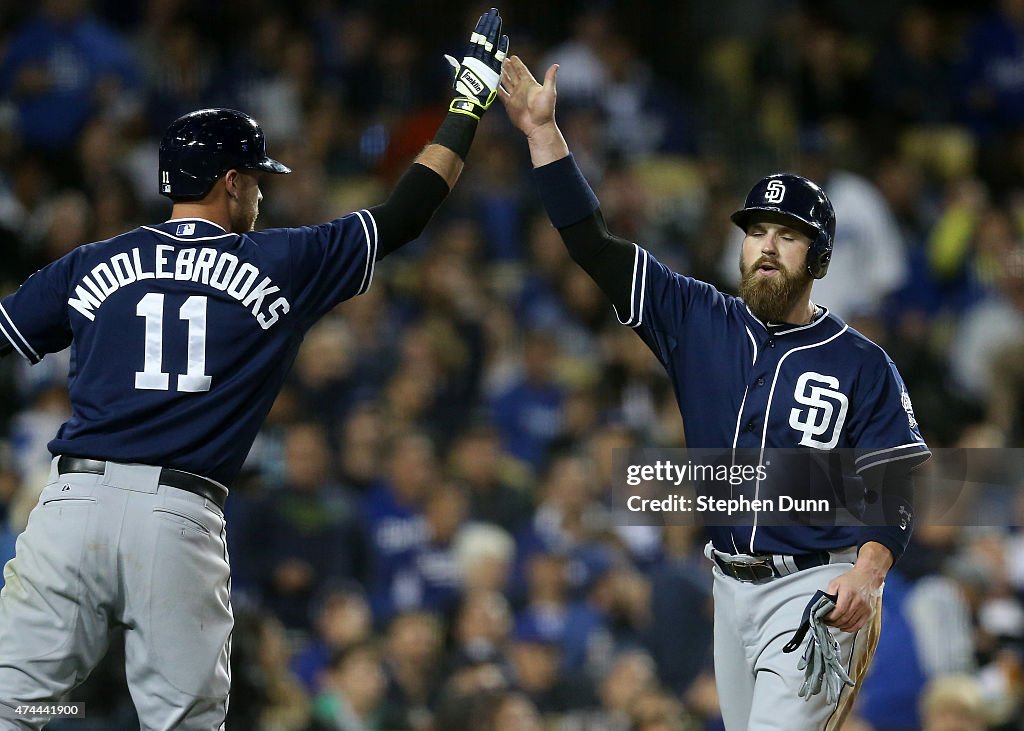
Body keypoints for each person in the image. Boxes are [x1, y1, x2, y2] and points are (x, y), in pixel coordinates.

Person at [0, 9, 509, 729]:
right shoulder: (279, 259)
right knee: (182, 721)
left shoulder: (92, 259)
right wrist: (467, 105)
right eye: (257, 180)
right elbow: (409, 210)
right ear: (232, 182)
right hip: (175, 517)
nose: (263, 193)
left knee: (17, 706)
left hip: (71, 506)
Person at [499, 55, 930, 730]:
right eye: (757, 229)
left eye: (787, 236)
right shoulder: (698, 317)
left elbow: (898, 475)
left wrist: (869, 574)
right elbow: (593, 244)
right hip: (728, 586)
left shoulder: (861, 362)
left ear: (817, 259)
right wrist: (542, 137)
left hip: (815, 588)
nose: (765, 245)